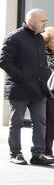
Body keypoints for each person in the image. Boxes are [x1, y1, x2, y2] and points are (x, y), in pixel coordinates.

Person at [0, 9, 52, 166]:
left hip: (38, 89)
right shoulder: (14, 37)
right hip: (20, 88)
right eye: (42, 20)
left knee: (40, 122)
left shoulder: (40, 39)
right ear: (31, 22)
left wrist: (46, 81)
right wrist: (22, 77)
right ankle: (15, 154)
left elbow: (42, 64)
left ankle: (38, 154)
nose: (45, 23)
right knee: (16, 123)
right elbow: (4, 62)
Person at [43, 27, 54, 160]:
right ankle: (47, 150)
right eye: (52, 41)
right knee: (50, 123)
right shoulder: (44, 55)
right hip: (50, 93)